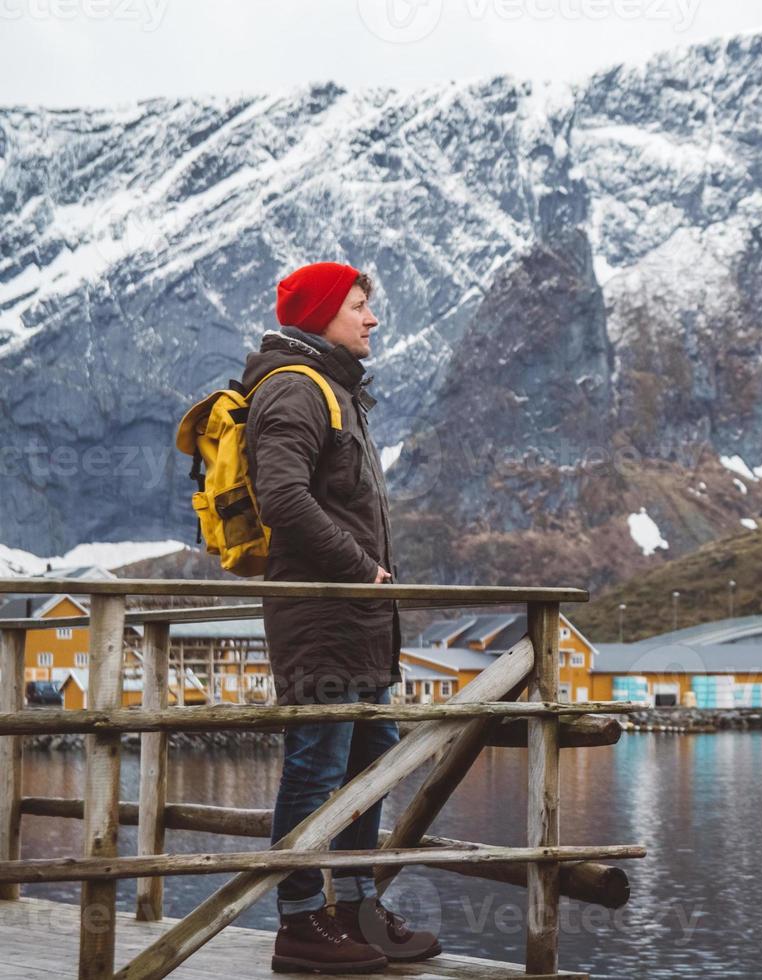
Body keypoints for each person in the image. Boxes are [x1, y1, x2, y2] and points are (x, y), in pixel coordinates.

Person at [241, 261, 440, 973]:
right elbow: (283, 499)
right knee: (315, 767)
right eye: (359, 306)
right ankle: (300, 926)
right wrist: (362, 570)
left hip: (358, 626)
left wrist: (368, 585)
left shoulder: (337, 392)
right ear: (324, 313)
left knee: (370, 763)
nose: (372, 318)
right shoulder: (295, 390)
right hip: (321, 625)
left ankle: (357, 911)